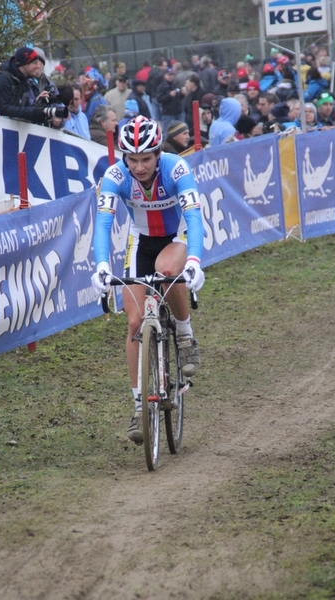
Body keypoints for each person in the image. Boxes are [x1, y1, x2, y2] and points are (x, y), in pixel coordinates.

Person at [91, 116, 205, 444]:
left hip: (177, 235)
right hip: (140, 240)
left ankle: (184, 333)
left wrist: (194, 261)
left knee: (168, 271)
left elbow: (194, 217)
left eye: (146, 159)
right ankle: (140, 407)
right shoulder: (114, 176)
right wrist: (101, 265)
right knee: (134, 322)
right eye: (132, 160)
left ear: (158, 154)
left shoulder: (176, 170)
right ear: (124, 158)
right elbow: (103, 223)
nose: (139, 167)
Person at [0, 47, 67, 124]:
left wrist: (38, 107)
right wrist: (33, 112)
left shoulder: (25, 80)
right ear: (25, 64)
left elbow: (23, 108)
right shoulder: (2, 79)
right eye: (35, 63)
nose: (38, 66)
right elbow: (4, 109)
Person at [156, 67, 184, 136]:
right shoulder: (161, 87)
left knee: (181, 131)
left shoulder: (175, 85)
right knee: (167, 133)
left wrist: (182, 94)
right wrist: (169, 95)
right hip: (168, 114)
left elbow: (179, 97)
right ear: (165, 75)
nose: (171, 77)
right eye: (169, 75)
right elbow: (159, 99)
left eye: (172, 75)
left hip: (178, 112)